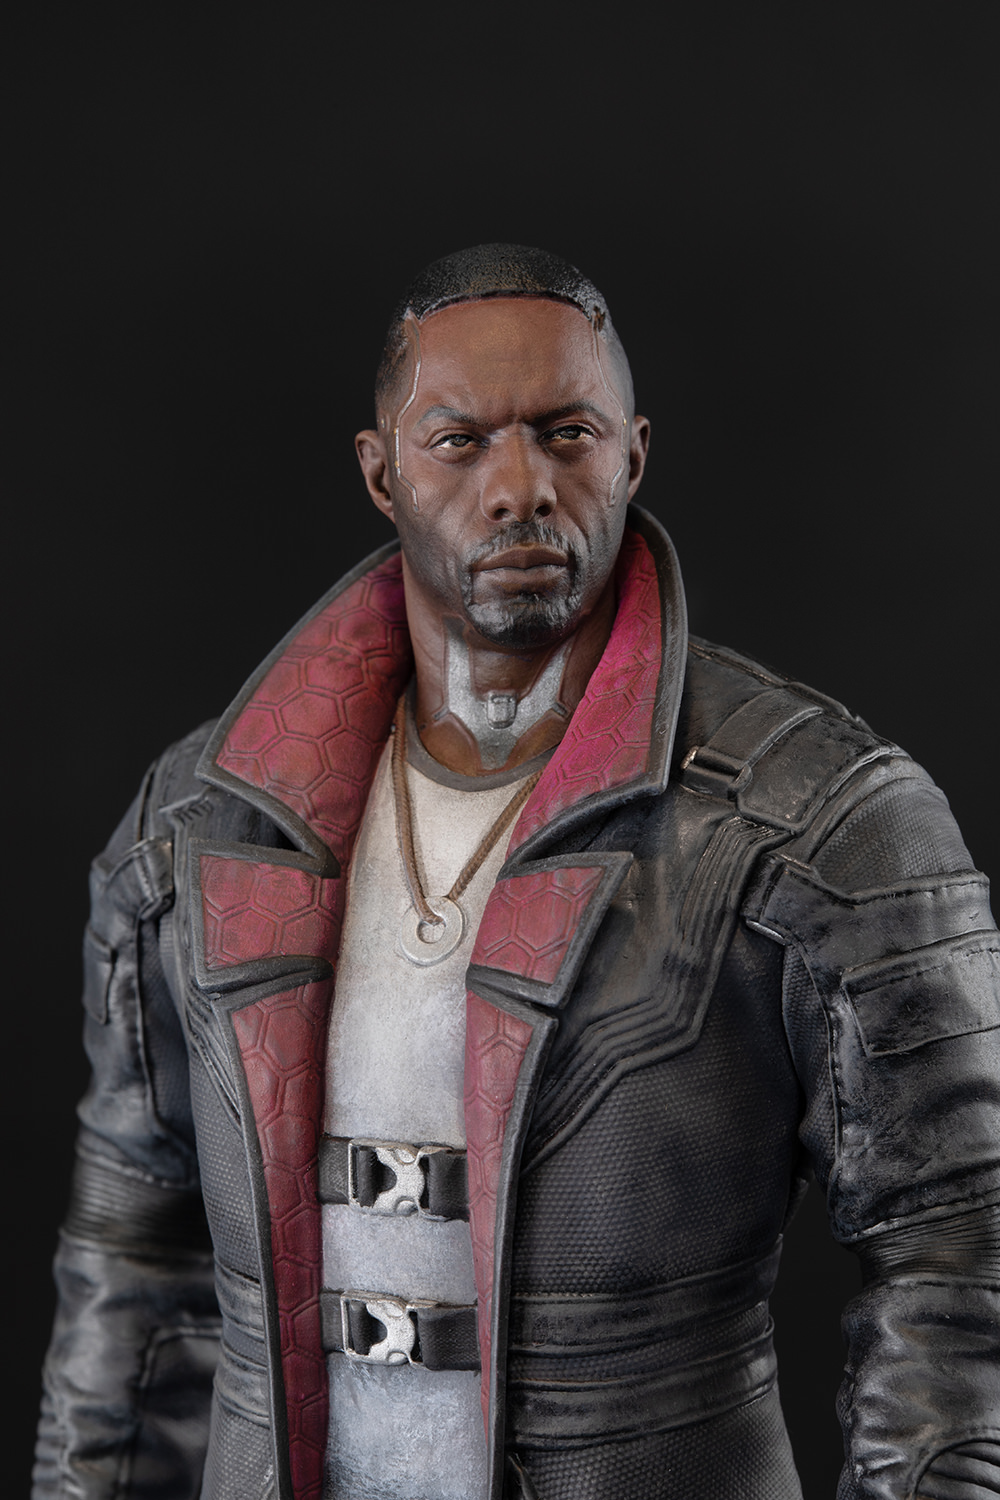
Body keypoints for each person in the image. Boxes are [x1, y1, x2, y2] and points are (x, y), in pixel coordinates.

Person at [34, 244, 999, 1500]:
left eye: (565, 434)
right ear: (381, 472)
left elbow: (959, 1257)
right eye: (459, 442)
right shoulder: (195, 827)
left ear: (632, 456)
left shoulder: (822, 817)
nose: (519, 488)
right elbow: (132, 1263)